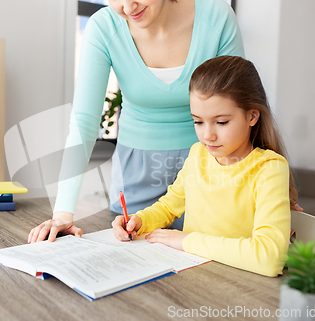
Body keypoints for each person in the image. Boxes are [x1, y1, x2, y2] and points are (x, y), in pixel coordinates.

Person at [28, 0, 245, 243]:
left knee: (208, 259)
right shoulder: (104, 27)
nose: (128, 7)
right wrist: (62, 214)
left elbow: (240, 107)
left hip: (210, 163)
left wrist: (269, 180)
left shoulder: (216, 18)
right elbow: (84, 122)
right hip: (137, 169)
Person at [112, 55, 298, 277]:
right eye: (198, 121)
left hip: (243, 287)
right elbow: (168, 207)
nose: (207, 135)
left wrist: (186, 240)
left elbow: (269, 258)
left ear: (252, 116)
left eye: (221, 122)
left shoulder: (269, 168)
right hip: (195, 276)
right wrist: (139, 220)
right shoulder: (198, 154)